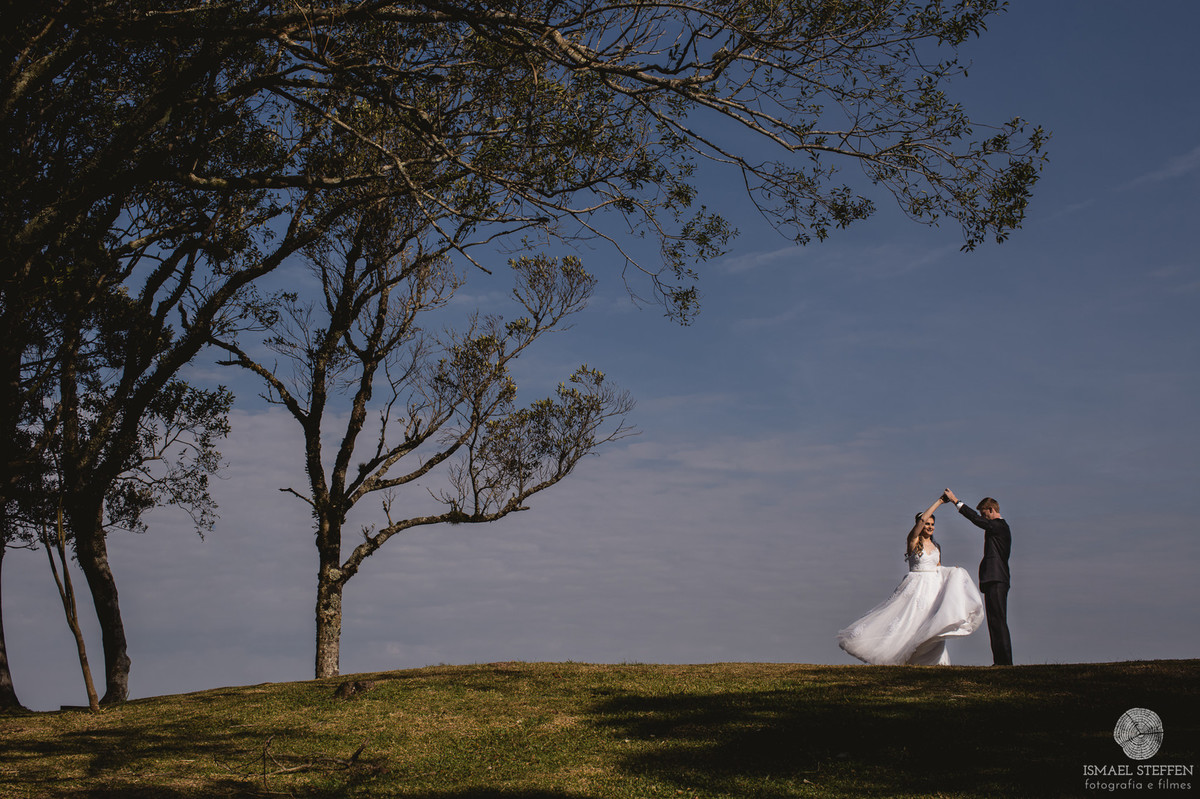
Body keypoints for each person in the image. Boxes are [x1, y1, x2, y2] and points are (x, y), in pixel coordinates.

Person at [837, 497, 985, 665]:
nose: (929, 526)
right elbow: (921, 520)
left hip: (932, 589)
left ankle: (934, 661)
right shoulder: (913, 541)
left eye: (932, 524)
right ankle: (901, 655)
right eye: (927, 524)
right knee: (909, 621)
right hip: (916, 588)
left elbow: (938, 569)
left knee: (931, 623)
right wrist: (939, 502)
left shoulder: (937, 547)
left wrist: (954, 572)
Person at [942, 489, 1012, 665]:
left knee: (998, 621)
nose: (983, 517)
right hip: (994, 579)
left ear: (991, 510)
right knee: (994, 621)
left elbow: (975, 519)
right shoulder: (998, 528)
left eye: (984, 514)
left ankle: (1004, 662)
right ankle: (1001, 661)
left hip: (997, 578)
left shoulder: (999, 526)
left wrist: (956, 501)